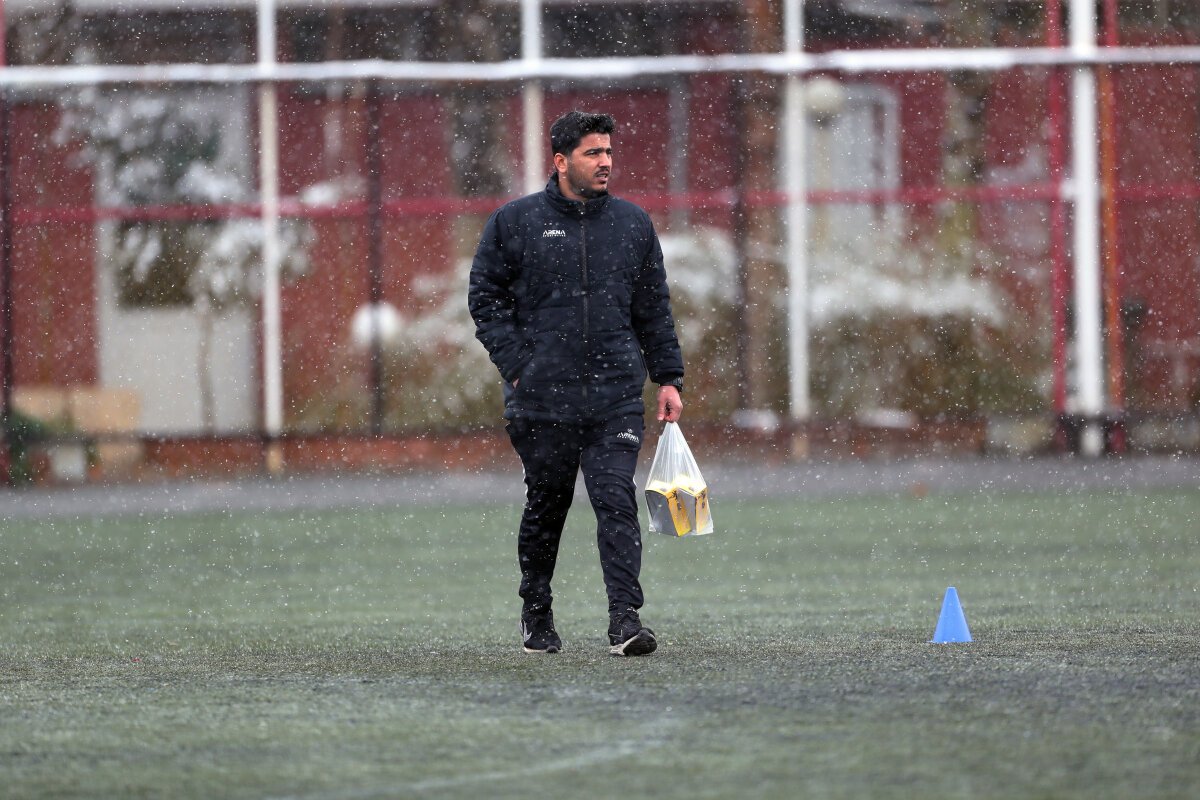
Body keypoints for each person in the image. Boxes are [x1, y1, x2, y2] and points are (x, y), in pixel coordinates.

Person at [468, 110, 685, 657]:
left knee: (616, 500)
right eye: (593, 153)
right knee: (548, 506)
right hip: (541, 400)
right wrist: (521, 366)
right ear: (561, 161)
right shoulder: (515, 222)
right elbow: (485, 299)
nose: (605, 161)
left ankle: (625, 621)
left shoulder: (633, 224)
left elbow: (653, 307)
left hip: (615, 397)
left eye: (608, 151)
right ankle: (536, 613)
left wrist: (667, 377)